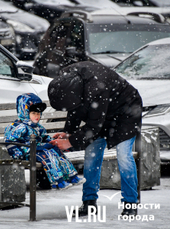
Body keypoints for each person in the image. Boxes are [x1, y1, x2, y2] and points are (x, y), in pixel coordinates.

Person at [48, 61, 142, 216]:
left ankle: (130, 203)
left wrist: (69, 142)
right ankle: (89, 202)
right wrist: (68, 132)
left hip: (126, 112)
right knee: (91, 156)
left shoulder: (97, 87)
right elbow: (74, 109)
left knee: (124, 156)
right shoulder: (67, 79)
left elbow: (93, 127)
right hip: (100, 113)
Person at [4, 93, 84, 190]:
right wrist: (17, 153)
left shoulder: (38, 128)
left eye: (38, 113)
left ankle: (72, 176)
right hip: (26, 151)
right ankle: (58, 182)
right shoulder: (18, 127)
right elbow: (10, 141)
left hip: (38, 149)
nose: (37, 116)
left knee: (56, 152)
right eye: (33, 113)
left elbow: (44, 137)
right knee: (47, 156)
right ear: (24, 112)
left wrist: (52, 142)